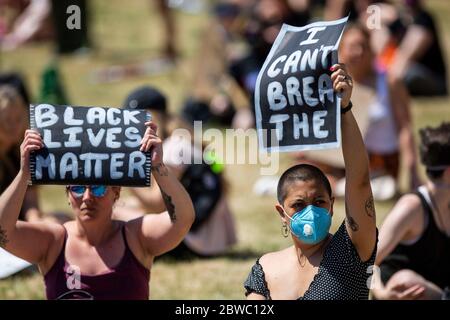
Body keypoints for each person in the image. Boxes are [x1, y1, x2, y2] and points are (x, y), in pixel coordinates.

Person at [0, 119, 195, 299]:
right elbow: (2, 231)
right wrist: (25, 172)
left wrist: (158, 167)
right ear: (67, 195)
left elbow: (183, 219)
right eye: (77, 188)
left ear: (116, 192)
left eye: (98, 187)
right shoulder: (54, 242)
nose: (87, 197)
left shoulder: (136, 237)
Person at [244, 63, 378, 300]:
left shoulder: (351, 250)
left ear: (331, 203)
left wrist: (344, 108)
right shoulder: (264, 269)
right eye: (298, 204)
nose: (311, 211)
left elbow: (359, 182)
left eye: (319, 201)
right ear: (281, 212)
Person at [297, 23, 419, 199]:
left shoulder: (390, 82)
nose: (359, 52)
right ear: (340, 51)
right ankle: (334, 184)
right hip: (337, 161)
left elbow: (405, 128)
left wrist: (413, 173)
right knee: (304, 174)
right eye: (353, 47)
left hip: (377, 162)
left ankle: (337, 186)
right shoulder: (327, 83)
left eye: (364, 46)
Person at [119, 85, 237, 258]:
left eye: (136, 119)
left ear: (154, 117)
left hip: (192, 240)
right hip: (209, 238)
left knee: (112, 214)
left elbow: (156, 204)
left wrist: (124, 175)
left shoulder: (173, 149)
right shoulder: (183, 140)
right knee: (122, 207)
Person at [372, 122, 450, 300]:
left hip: (440, 291)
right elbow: (366, 261)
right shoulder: (412, 208)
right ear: (448, 173)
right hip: (404, 293)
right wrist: (382, 294)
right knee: (406, 282)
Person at [388, 0, 447, 97]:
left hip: (433, 79)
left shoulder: (424, 19)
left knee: (409, 75)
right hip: (404, 70)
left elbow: (408, 54)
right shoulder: (398, 20)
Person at [0, 85, 41, 222]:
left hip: (19, 225)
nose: (14, 126)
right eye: (7, 120)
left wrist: (38, 225)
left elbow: (31, 204)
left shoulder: (23, 151)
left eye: (18, 119)